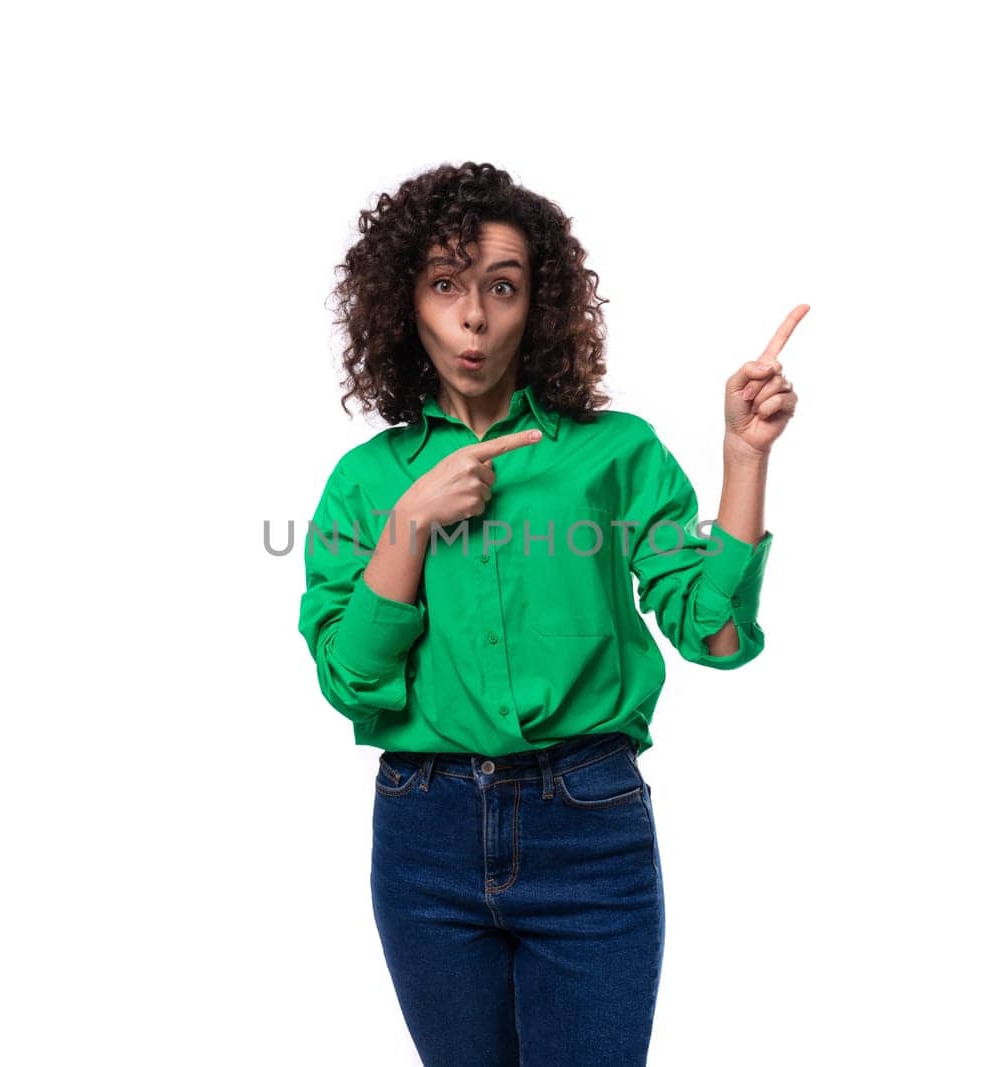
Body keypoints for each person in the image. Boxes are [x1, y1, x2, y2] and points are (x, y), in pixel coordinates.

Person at [297, 161, 802, 1066]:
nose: (475, 317)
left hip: (589, 829)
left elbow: (716, 638)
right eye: (446, 286)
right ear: (405, 301)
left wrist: (743, 458)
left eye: (503, 286)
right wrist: (410, 522)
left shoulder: (617, 453)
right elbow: (352, 683)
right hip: (424, 840)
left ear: (542, 302)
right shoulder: (366, 483)